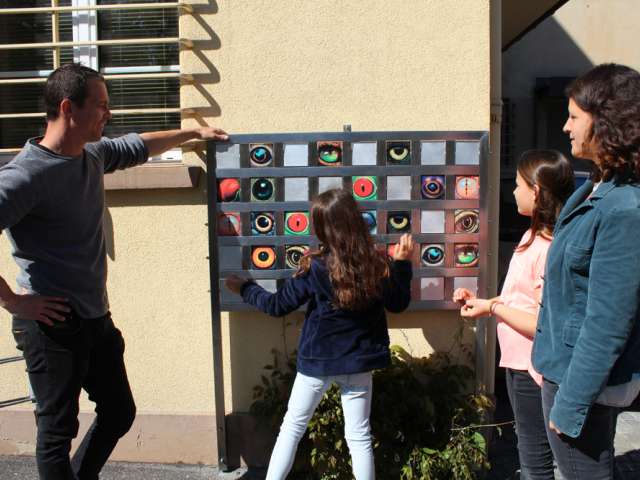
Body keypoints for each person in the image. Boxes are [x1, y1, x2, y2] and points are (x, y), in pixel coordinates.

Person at [0, 63, 228, 480]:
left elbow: (137, 145)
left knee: (119, 411)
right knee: (56, 434)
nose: (109, 113)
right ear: (68, 108)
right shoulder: (25, 176)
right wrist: (14, 301)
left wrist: (193, 133)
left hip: (93, 316)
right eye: (101, 105)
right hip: (52, 324)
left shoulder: (92, 154)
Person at [225, 188, 414, 480]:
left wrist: (245, 288)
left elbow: (277, 305)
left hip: (318, 361)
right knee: (359, 436)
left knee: (292, 428)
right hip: (358, 362)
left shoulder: (315, 266)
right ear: (356, 220)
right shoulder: (377, 264)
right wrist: (402, 263)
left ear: (322, 229)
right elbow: (398, 303)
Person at [531, 63, 640, 479]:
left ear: (605, 122)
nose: (565, 126)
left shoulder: (623, 208)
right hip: (564, 369)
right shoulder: (595, 187)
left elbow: (608, 321)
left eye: (574, 116)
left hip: (581, 384)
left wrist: (572, 403)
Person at [453, 150, 574, 479]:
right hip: (518, 362)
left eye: (518, 185)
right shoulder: (531, 236)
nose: (513, 191)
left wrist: (494, 308)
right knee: (531, 450)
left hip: (532, 369)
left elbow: (542, 324)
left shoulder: (549, 248)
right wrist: (485, 303)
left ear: (536, 192)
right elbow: (520, 300)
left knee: (535, 459)